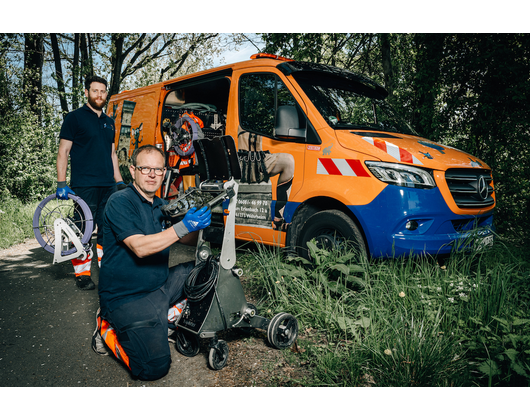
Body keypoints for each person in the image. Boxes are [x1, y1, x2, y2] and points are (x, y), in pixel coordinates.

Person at [95, 144, 211, 381]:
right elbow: (140, 247)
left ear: (164, 173)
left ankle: (164, 319)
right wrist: (183, 226)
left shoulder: (159, 205)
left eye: (158, 170)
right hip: (127, 297)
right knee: (154, 368)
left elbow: (182, 238)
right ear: (132, 170)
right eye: (145, 168)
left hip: (161, 285)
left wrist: (204, 226)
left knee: (209, 271)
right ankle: (106, 326)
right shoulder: (120, 201)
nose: (152, 174)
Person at [56, 75, 125, 291]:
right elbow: (63, 152)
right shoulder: (74, 118)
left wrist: (120, 182)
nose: (99, 95)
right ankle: (82, 274)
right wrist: (61, 183)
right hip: (84, 185)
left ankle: (108, 271)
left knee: (108, 229)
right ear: (86, 92)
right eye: (95, 91)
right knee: (83, 229)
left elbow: (112, 154)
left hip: (108, 185)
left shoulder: (109, 121)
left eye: (103, 91)